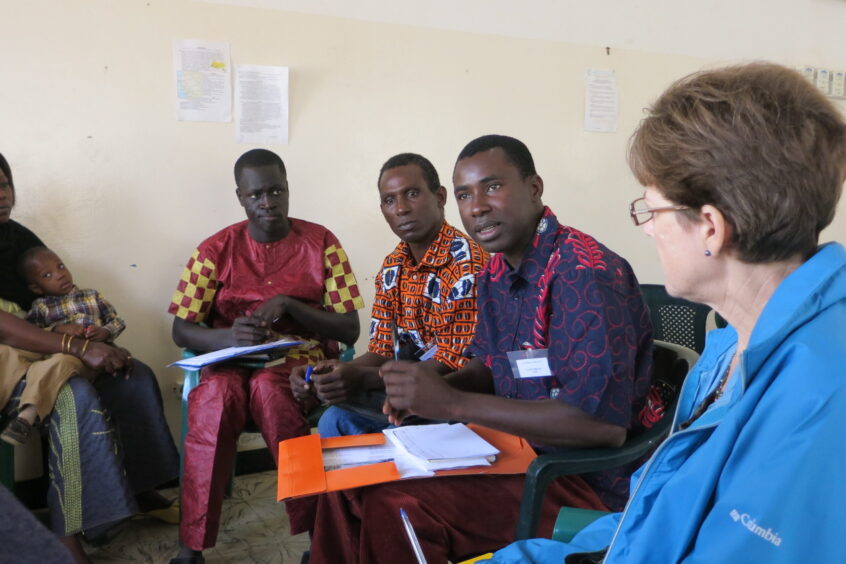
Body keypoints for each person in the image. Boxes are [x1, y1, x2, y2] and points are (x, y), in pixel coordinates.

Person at [485, 62, 846, 563]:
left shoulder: (819, 394)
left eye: (651, 210)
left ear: (711, 228)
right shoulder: (727, 345)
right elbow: (656, 516)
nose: (648, 229)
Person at [308, 135, 653, 563]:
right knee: (344, 478)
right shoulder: (497, 272)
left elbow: (600, 427)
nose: (477, 207)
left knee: (397, 508)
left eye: (492, 187)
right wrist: (432, 394)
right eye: (465, 195)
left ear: (534, 187)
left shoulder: (583, 274)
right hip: (510, 450)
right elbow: (492, 364)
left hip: (579, 478)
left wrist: (453, 402)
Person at [168, 148, 365, 564]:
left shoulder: (322, 243)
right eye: (256, 194)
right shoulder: (214, 250)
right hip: (229, 363)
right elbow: (181, 329)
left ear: (289, 189)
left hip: (298, 360)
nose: (267, 202)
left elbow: (349, 328)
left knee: (271, 390)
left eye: (276, 191)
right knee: (214, 398)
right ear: (240, 196)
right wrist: (227, 338)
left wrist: (291, 305)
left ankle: (318, 534)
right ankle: (192, 546)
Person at [0, 152, 180, 564]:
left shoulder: (19, 238)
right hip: (5, 361)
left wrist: (93, 338)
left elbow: (50, 306)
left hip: (39, 347)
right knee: (72, 394)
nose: (2, 195)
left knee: (131, 373)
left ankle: (136, 486)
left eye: (5, 184)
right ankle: (70, 527)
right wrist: (79, 348)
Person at [290, 152, 488, 436]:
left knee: (343, 422)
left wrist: (362, 378)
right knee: (334, 420)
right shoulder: (393, 267)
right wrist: (327, 374)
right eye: (389, 200)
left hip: (457, 399)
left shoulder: (467, 264)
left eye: (412, 194)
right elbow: (382, 350)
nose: (401, 209)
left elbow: (452, 364)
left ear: (440, 197)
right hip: (406, 394)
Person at [0, 246, 127, 445]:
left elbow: (116, 321)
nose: (60, 275)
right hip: (57, 349)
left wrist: (106, 332)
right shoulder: (41, 306)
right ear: (36, 288)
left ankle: (27, 416)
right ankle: (22, 417)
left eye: (61, 266)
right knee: (27, 359)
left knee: (59, 363)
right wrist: (59, 329)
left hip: (87, 353)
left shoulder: (92, 296)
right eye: (48, 274)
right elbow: (35, 333)